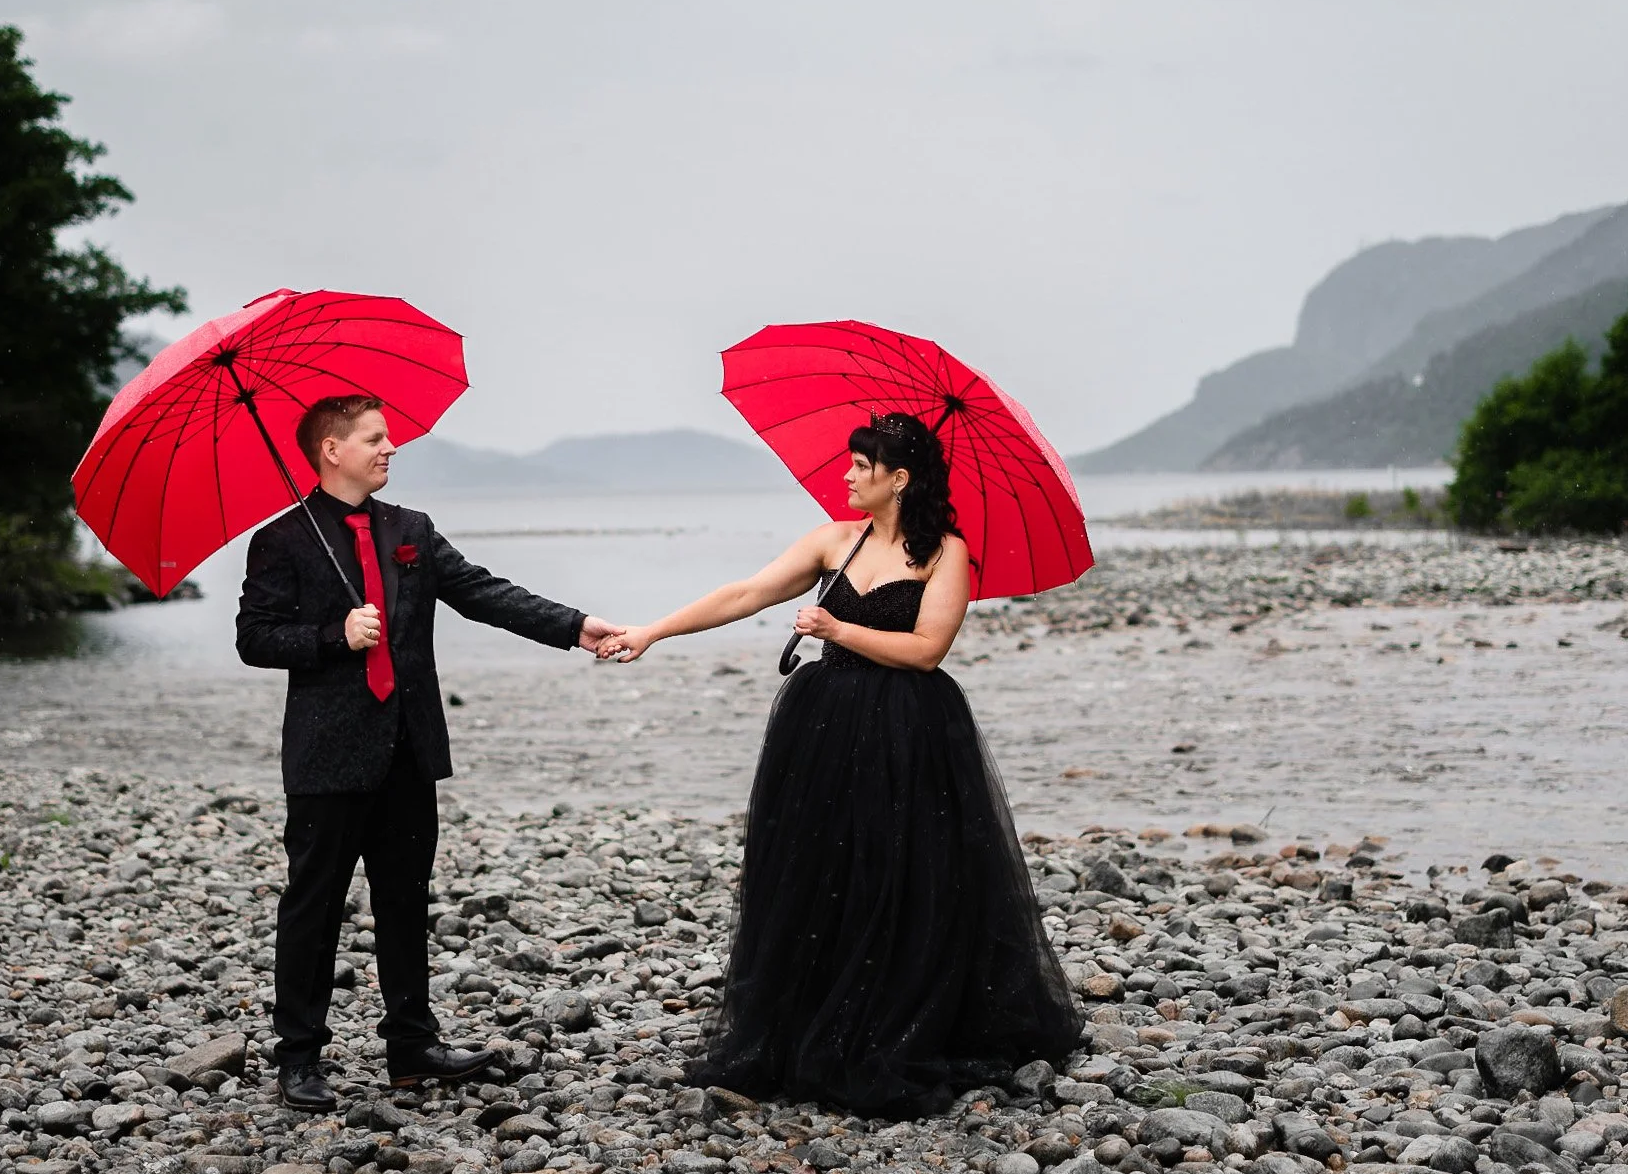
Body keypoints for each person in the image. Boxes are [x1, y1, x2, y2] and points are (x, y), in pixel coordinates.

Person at [599, 412, 1081, 1118]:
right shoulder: (834, 540)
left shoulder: (944, 552)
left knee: (901, 871)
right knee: (819, 867)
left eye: (861, 465)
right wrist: (652, 631)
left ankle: (894, 1022)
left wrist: (837, 628)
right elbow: (746, 593)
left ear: (899, 478)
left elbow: (926, 651)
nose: (848, 476)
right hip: (824, 722)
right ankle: (808, 1022)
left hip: (909, 727)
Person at [237, 393, 619, 1111]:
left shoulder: (410, 529)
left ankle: (411, 1046)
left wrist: (575, 627)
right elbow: (254, 639)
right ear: (332, 450)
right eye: (374, 438)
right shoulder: (281, 540)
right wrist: (332, 636)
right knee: (313, 906)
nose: (390, 448)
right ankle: (299, 1057)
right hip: (326, 757)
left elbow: (482, 592)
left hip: (409, 748)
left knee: (406, 901)